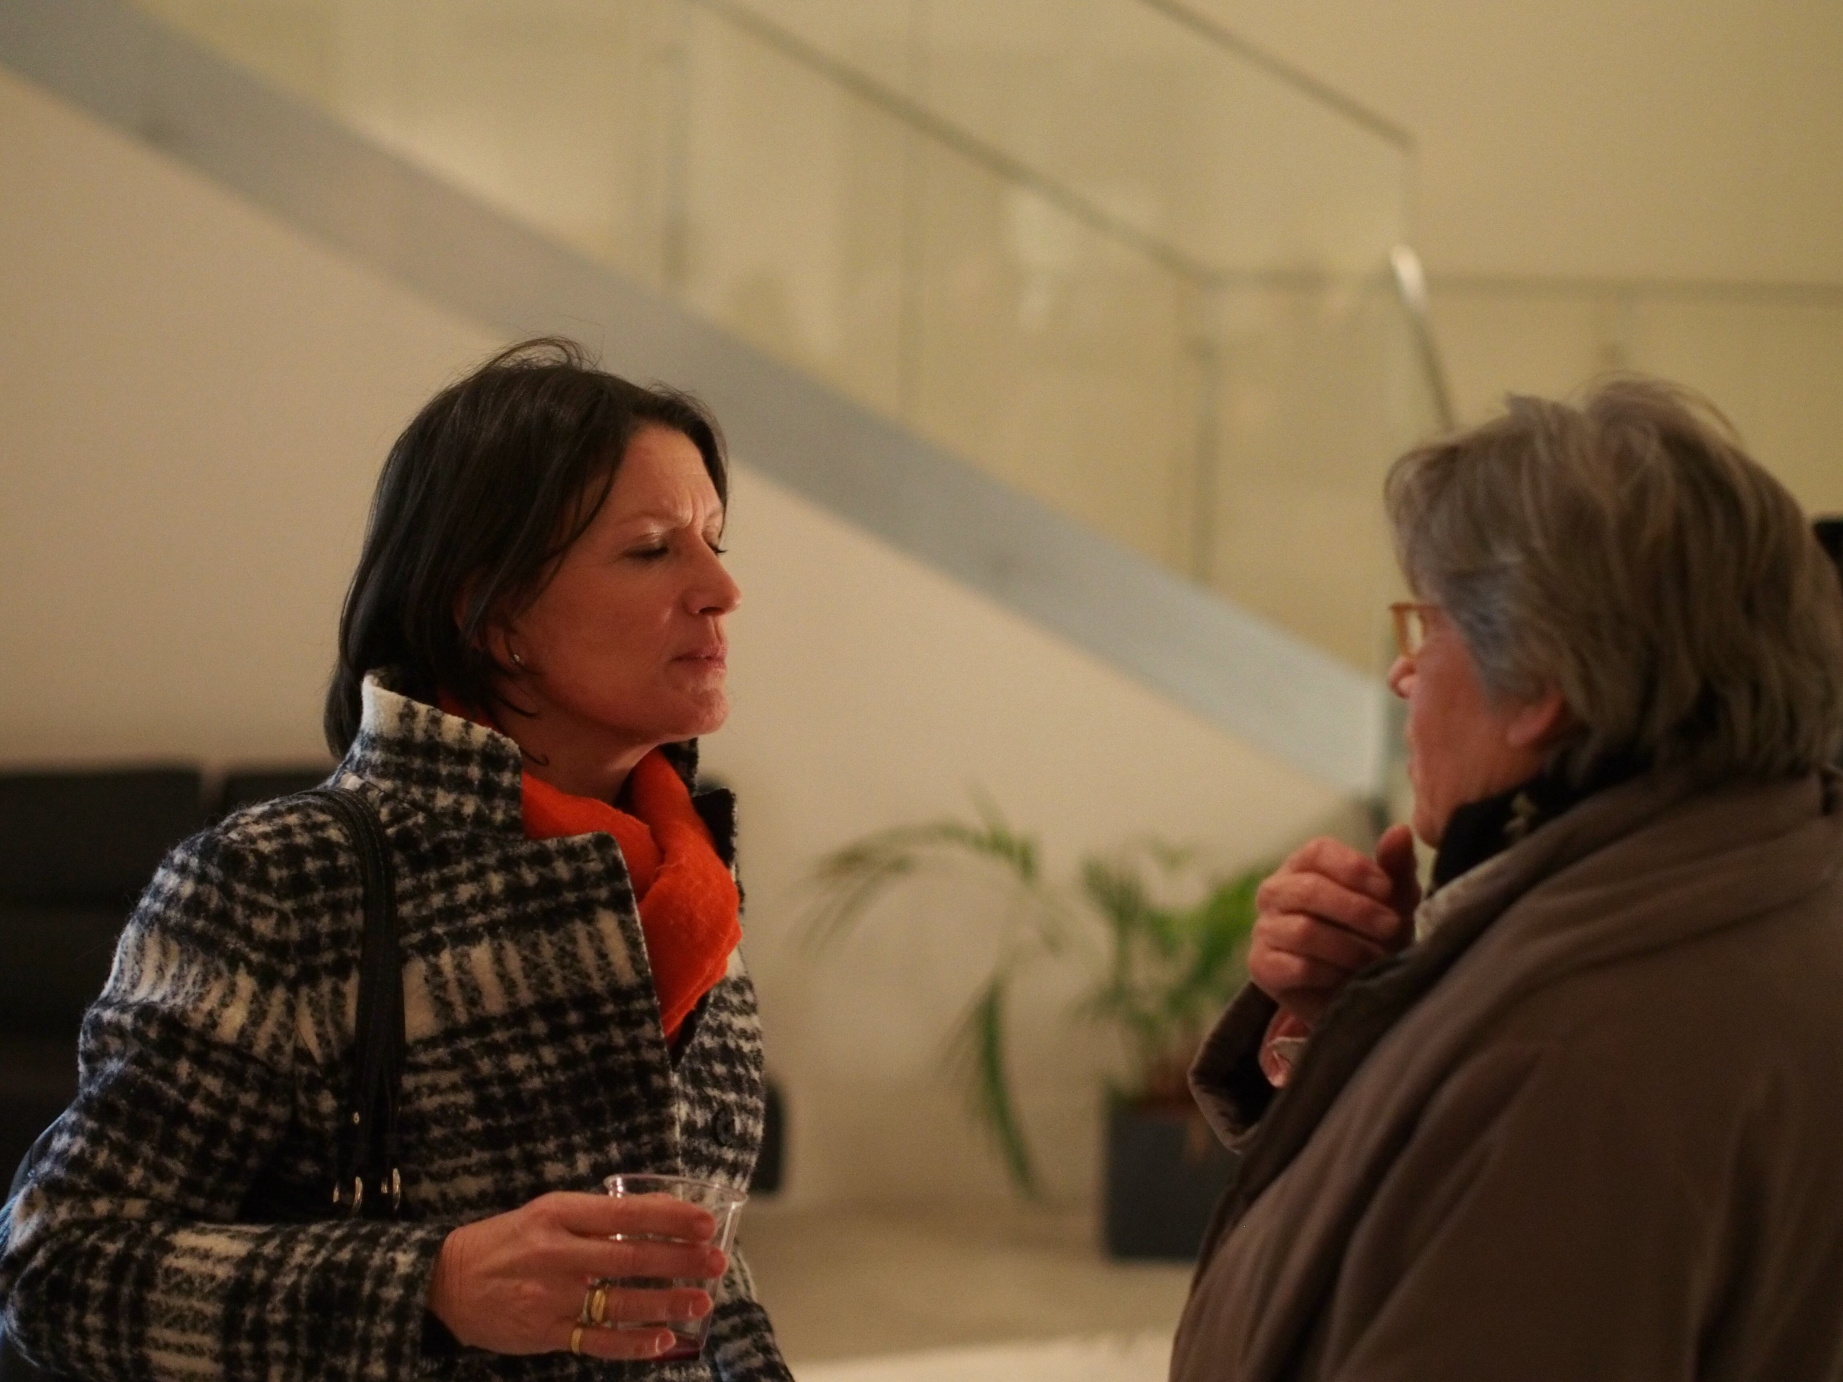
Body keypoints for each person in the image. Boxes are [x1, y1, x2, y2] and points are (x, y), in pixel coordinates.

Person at [0, 339, 791, 1380]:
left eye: (714, 542)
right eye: (652, 549)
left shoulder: (689, 886)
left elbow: (698, 1270)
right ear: (490, 614)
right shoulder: (276, 882)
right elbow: (53, 1267)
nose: (722, 589)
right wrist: (435, 1285)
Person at [1171, 379, 1843, 1381]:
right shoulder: (1756, 880)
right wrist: (1369, 1015)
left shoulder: (1569, 1050)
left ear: (1538, 682)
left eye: (1428, 628)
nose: (1403, 674)